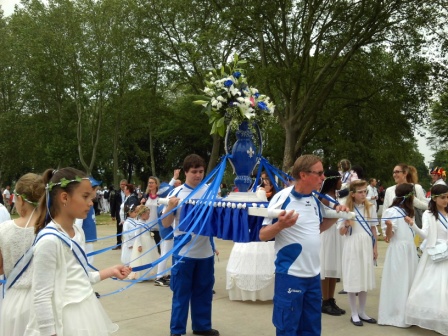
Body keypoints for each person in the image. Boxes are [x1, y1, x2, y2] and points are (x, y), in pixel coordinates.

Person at [24, 167, 131, 335]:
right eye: (85, 196)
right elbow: (41, 296)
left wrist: (110, 271)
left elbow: (80, 277)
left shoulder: (77, 232)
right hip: (65, 320)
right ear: (64, 197)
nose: (91, 202)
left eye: (91, 197)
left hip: (85, 310)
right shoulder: (49, 241)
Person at [259, 154, 349, 336]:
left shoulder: (315, 201)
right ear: (303, 175)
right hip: (291, 275)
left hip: (313, 276)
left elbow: (318, 229)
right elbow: (262, 235)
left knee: (312, 329)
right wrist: (280, 225)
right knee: (288, 328)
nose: (323, 178)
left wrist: (339, 214)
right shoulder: (282, 198)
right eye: (320, 173)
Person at [162, 154, 219, 336]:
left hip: (206, 252)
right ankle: (177, 330)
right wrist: (170, 207)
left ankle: (202, 326)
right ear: (185, 172)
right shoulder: (176, 194)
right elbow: (165, 224)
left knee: (204, 292)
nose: (198, 175)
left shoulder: (212, 190)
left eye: (201, 171)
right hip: (184, 253)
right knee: (181, 294)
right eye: (194, 171)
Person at [0, 173, 44, 335]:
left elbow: (0, 269)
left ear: (20, 200)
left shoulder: (4, 229)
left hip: (15, 301)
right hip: (46, 300)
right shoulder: (53, 228)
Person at [405, 184, 448, 335]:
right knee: (433, 287)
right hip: (436, 252)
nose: (446, 200)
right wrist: (413, 225)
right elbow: (425, 234)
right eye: (443, 198)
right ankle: (435, 318)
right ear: (435, 199)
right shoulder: (428, 214)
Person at [378, 183, 422, 327]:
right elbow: (388, 238)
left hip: (409, 250)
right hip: (398, 251)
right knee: (399, 282)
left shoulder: (409, 211)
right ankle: (395, 315)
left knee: (409, 281)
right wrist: (389, 227)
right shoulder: (392, 212)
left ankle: (408, 314)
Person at [226, 177, 277, 301]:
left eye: (268, 183)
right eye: (265, 183)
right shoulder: (259, 193)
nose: (266, 186)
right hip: (257, 228)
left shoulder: (271, 197)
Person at [339, 180, 378, 327]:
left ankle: (362, 311)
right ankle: (354, 313)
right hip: (352, 245)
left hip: (366, 245)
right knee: (353, 277)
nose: (363, 194)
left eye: (365, 191)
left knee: (364, 278)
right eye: (360, 192)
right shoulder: (346, 209)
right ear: (353, 194)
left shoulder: (370, 207)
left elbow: (373, 229)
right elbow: (341, 232)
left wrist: (375, 248)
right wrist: (346, 224)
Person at [319, 170, 346, 316]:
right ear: (333, 181)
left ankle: (330, 299)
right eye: (339, 179)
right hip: (327, 235)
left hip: (335, 234)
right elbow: (323, 218)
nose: (341, 182)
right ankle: (325, 300)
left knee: (332, 270)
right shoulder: (325, 198)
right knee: (326, 268)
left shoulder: (334, 196)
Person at [383, 163, 428, 232]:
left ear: (405, 173)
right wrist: (384, 231)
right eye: (393, 172)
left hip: (413, 229)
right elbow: (385, 211)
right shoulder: (389, 190)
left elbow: (426, 206)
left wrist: (413, 199)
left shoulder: (416, 188)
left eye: (397, 172)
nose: (394, 175)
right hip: (395, 229)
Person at [74, 176, 101, 264]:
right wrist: (78, 238)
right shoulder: (84, 204)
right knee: (88, 260)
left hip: (88, 236)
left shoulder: (90, 203)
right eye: (95, 190)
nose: (96, 192)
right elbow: (78, 222)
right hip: (85, 237)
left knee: (89, 259)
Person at [110, 179, 128, 249]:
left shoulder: (130, 193)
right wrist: (113, 214)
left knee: (128, 228)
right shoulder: (116, 193)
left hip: (128, 213)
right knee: (119, 229)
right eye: (121, 184)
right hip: (119, 213)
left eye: (124, 184)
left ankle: (128, 243)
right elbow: (113, 204)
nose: (123, 186)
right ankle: (119, 243)